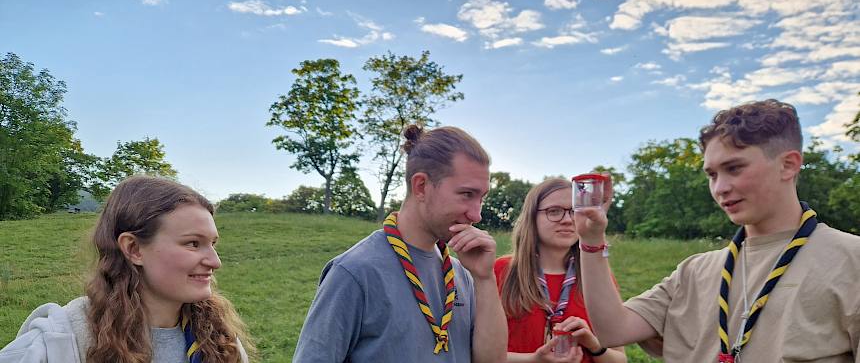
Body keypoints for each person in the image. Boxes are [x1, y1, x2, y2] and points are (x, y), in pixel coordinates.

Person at [576, 99, 860, 362]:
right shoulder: (694, 271)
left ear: (788, 165)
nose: (720, 188)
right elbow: (613, 331)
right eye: (712, 174)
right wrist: (591, 239)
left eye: (734, 168)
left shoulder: (850, 260)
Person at [293, 124, 507, 362]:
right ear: (421, 186)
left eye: (482, 198)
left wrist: (485, 278)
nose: (476, 215)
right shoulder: (355, 272)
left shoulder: (461, 274)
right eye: (467, 194)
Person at [0, 176, 253, 363]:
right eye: (193, 243)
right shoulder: (57, 345)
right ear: (133, 249)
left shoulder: (219, 341)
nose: (215, 261)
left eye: (212, 244)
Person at [494, 178, 626, 363]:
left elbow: (620, 359)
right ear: (532, 217)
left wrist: (594, 346)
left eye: (575, 211)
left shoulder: (597, 277)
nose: (567, 220)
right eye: (553, 211)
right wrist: (534, 360)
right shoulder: (501, 271)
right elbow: (478, 353)